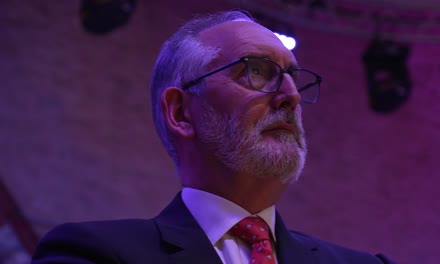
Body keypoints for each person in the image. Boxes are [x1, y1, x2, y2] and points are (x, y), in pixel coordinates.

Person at [32, 10, 395, 264]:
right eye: (256, 71)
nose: (291, 96)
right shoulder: (94, 254)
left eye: (291, 77)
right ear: (180, 112)